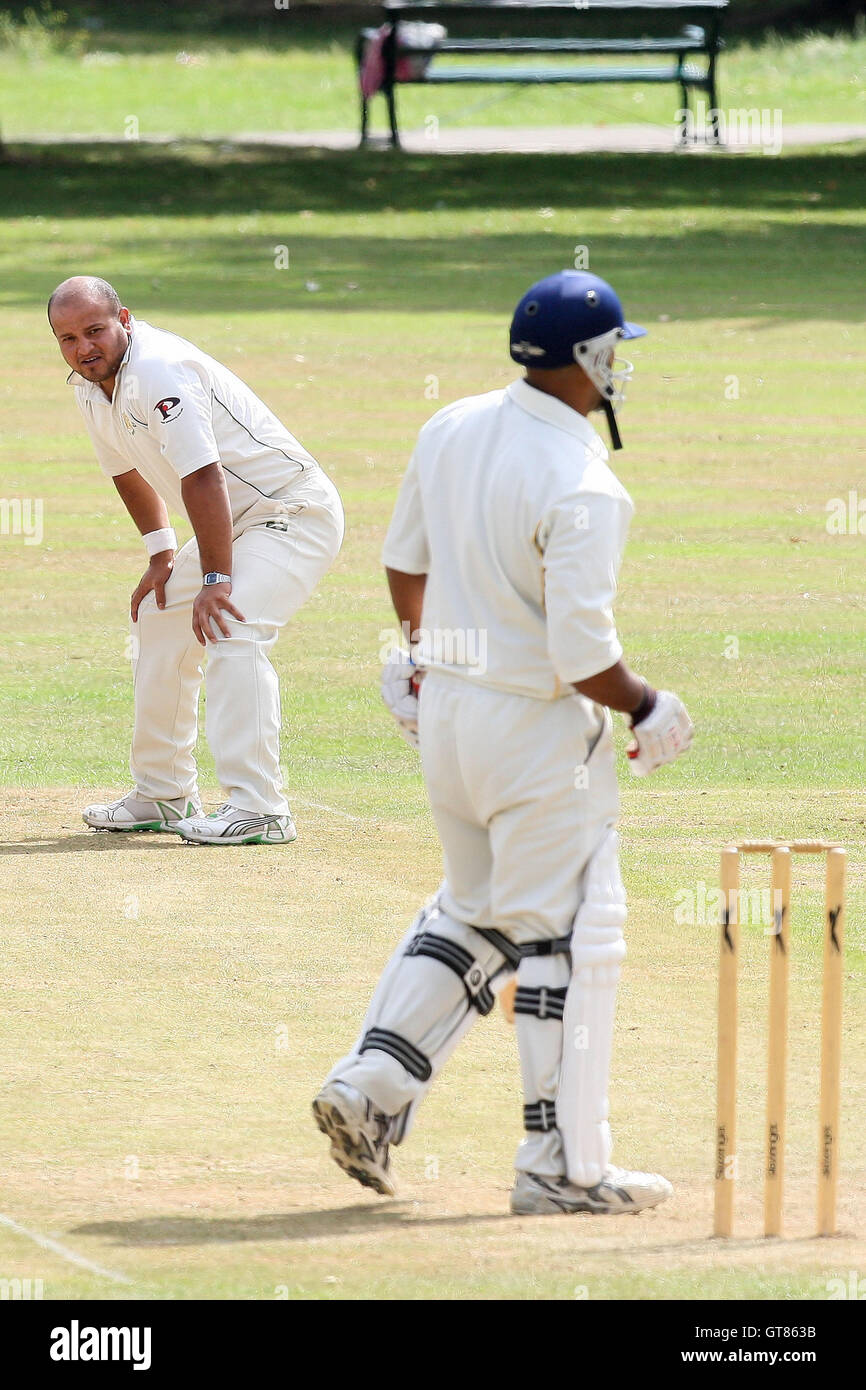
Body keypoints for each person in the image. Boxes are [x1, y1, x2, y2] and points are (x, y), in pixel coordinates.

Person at [313, 270, 692, 1214]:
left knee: (475, 911)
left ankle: (370, 1089)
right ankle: (561, 1169)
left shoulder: (452, 426)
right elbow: (582, 653)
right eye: (617, 353)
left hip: (450, 721)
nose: (622, 368)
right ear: (592, 359)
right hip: (536, 739)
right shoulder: (587, 485)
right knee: (571, 939)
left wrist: (429, 654)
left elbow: (405, 563)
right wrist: (648, 704)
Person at [49, 276, 343, 845]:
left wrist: (215, 578)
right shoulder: (91, 386)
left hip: (290, 511)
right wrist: (161, 554)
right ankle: (163, 794)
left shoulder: (159, 370)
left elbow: (202, 475)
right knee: (160, 620)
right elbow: (125, 472)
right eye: (67, 338)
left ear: (124, 320)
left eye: (94, 331)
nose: (84, 348)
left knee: (233, 626)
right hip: (232, 522)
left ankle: (262, 809)